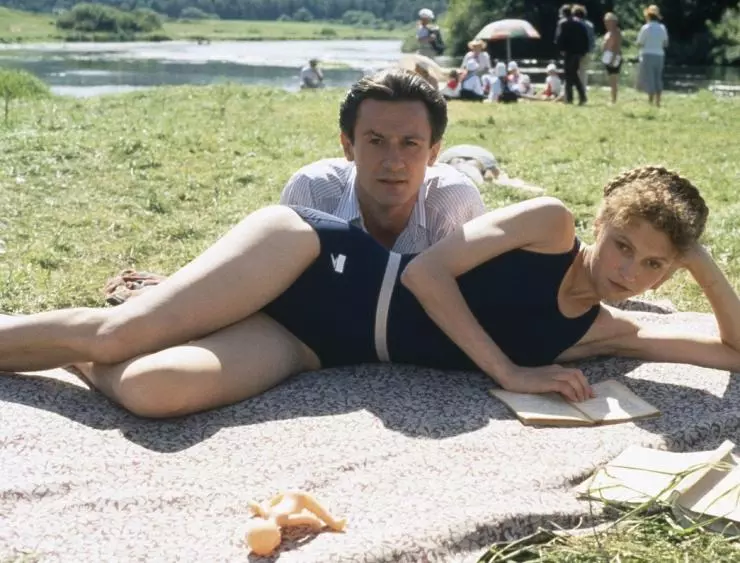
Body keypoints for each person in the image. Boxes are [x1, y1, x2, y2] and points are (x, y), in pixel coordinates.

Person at [3, 166, 737, 417]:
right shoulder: (547, 225)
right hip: (312, 257)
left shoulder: (606, 331)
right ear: (600, 223)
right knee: (119, 336)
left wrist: (702, 264)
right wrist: (510, 371)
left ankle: (92, 341)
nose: (628, 271)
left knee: (150, 390)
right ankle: (117, 324)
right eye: (623, 244)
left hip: (310, 346)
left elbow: (732, 352)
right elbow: (425, 273)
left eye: (652, 265)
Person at [103, 69, 486, 304]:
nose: (393, 161)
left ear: (434, 152)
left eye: (410, 143)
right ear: (347, 145)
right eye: (375, 141)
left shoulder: (454, 201)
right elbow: (276, 288)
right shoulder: (313, 191)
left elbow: (472, 302)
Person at [555, 4, 589, 105]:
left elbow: (560, 38)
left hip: (569, 52)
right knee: (573, 74)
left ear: (563, 13)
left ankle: (573, 98)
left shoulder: (563, 24)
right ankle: (578, 97)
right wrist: (584, 51)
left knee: (569, 75)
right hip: (578, 52)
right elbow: (585, 38)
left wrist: (560, 49)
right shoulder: (579, 24)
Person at [636, 4, 669, 107]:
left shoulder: (645, 28)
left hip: (647, 54)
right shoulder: (662, 28)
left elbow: (640, 43)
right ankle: (658, 101)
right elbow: (665, 43)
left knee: (650, 78)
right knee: (658, 77)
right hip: (660, 55)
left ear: (648, 16)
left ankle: (650, 101)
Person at [602, 12, 623, 104]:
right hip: (607, 56)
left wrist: (613, 59)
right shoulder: (608, 32)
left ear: (614, 22)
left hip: (614, 57)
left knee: (613, 80)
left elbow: (617, 46)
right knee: (611, 80)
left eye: (608, 21)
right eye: (605, 21)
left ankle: (614, 100)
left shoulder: (616, 32)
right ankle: (612, 98)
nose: (606, 23)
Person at [572, 4, 595, 90]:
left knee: (571, 72)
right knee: (583, 72)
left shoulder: (572, 24)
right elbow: (592, 40)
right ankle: (582, 92)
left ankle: (568, 92)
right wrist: (591, 51)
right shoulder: (590, 25)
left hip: (574, 52)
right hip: (586, 51)